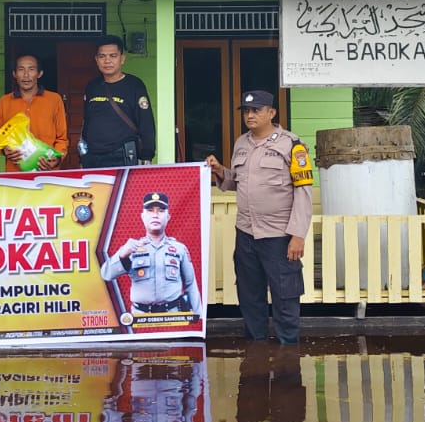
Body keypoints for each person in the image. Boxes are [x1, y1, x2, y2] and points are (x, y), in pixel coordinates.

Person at [206, 90, 314, 345]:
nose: (250, 115)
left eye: (256, 110)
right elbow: (237, 182)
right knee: (249, 295)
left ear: (271, 113)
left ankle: (288, 356)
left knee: (285, 296)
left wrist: (298, 235)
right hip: (246, 233)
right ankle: (257, 352)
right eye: (246, 111)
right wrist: (221, 170)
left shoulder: (292, 145)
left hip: (278, 235)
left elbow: (303, 191)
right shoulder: (241, 143)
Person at [100, 192, 201, 316]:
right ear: (143, 216)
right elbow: (106, 274)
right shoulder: (132, 248)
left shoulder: (179, 249)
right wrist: (122, 255)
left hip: (172, 316)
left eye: (160, 211)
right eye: (150, 210)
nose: (155, 215)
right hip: (140, 317)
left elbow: (190, 284)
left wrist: (198, 317)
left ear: (168, 216)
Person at [79, 34, 154, 167]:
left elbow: (146, 122)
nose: (107, 61)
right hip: (92, 156)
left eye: (113, 56)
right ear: (96, 59)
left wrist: (146, 156)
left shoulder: (134, 85)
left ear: (122, 59)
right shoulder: (92, 86)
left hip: (122, 154)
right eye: (102, 56)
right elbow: (87, 121)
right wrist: (82, 155)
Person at [0, 54, 69, 171]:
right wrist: (4, 150)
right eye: (21, 69)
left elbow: (62, 138)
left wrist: (57, 159)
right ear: (14, 74)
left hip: (47, 170)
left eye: (31, 69)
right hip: (15, 171)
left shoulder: (54, 99)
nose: (26, 75)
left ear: (40, 73)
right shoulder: (4, 102)